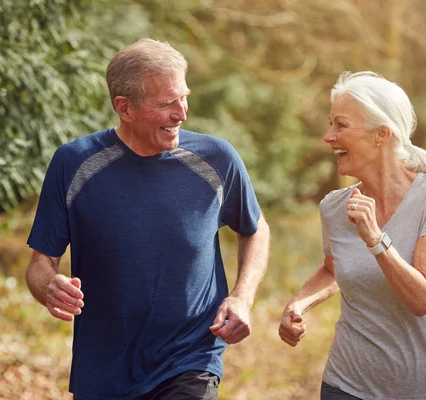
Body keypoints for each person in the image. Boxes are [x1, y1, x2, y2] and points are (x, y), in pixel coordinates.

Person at [25, 38, 270, 400]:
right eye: (167, 103)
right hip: (103, 368)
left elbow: (255, 229)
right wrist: (48, 287)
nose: (182, 113)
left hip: (190, 357)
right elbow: (39, 264)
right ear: (124, 107)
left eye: (183, 97)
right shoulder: (74, 164)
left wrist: (241, 297)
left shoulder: (216, 160)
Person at [278, 71, 426, 400]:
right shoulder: (334, 207)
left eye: (341, 125)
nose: (328, 136)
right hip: (345, 386)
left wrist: (377, 239)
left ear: (381, 134)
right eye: (330, 124)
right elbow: (333, 269)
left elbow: (423, 298)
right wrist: (298, 304)